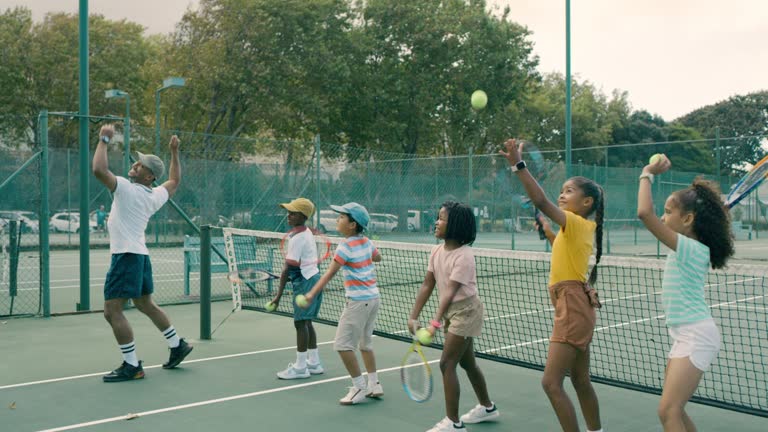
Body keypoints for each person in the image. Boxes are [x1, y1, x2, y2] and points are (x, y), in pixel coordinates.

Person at [500, 138, 605, 432]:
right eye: (562, 191)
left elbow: (541, 201)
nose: (561, 195)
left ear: (587, 203)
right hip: (576, 304)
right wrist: (548, 232)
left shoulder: (577, 222)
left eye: (569, 191)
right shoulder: (575, 229)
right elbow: (564, 250)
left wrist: (518, 165)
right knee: (581, 380)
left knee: (551, 382)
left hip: (572, 305)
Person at [637, 155, 734, 432]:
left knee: (668, 411)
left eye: (668, 211)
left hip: (695, 334)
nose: (664, 217)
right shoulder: (687, 247)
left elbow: (645, 213)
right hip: (684, 334)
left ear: (688, 218)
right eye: (664, 211)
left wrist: (646, 173)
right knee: (675, 412)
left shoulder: (691, 248)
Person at [92, 124, 193, 382]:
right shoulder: (154, 195)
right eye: (137, 163)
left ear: (149, 177)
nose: (135, 165)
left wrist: (104, 139)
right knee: (145, 303)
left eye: (141, 166)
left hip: (126, 256)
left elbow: (99, 170)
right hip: (139, 256)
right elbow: (175, 180)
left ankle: (131, 365)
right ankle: (177, 345)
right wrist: (174, 152)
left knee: (111, 310)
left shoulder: (126, 187)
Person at [409, 201, 499, 432]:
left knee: (447, 363)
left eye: (441, 218)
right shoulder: (436, 250)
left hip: (466, 311)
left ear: (455, 225)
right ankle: (488, 407)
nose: (436, 222)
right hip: (451, 312)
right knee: (468, 362)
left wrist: (434, 323)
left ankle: (453, 423)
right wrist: (414, 316)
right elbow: (428, 284)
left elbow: (449, 291)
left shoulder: (465, 255)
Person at [302, 202, 383, 405]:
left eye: (341, 217)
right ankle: (375, 384)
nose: (337, 219)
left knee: (342, 345)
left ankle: (359, 387)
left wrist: (311, 294)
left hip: (358, 302)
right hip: (374, 299)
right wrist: (368, 249)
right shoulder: (366, 241)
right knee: (365, 343)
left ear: (352, 224)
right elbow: (378, 257)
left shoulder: (345, 246)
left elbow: (329, 274)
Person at [271, 198, 325, 379]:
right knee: (307, 322)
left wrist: (277, 297)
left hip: (305, 282)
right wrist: (289, 276)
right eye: (288, 212)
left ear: (303, 216)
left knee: (300, 323)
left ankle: (301, 367)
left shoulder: (297, 239)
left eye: (292, 213)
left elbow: (288, 268)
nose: (288, 216)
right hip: (314, 279)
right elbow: (295, 266)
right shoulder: (306, 232)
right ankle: (314, 362)